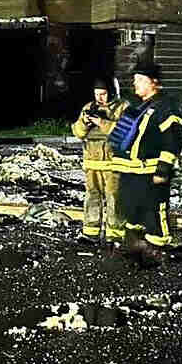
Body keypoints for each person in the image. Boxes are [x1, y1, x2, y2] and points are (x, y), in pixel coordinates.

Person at [107, 62, 182, 266]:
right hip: (129, 172)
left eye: (140, 80)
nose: (136, 84)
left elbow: (172, 141)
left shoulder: (165, 108)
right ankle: (135, 249)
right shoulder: (136, 108)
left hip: (150, 172)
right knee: (130, 210)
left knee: (154, 212)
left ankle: (157, 252)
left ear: (154, 83)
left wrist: (163, 170)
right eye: (135, 80)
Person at [70, 78, 129, 244]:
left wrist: (101, 122)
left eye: (103, 94)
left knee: (114, 199)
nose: (99, 98)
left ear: (112, 92)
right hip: (92, 163)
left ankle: (115, 235)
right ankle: (90, 233)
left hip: (113, 163)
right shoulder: (89, 107)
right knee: (92, 198)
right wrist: (85, 122)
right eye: (96, 94)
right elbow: (78, 132)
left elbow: (125, 132)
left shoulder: (123, 108)